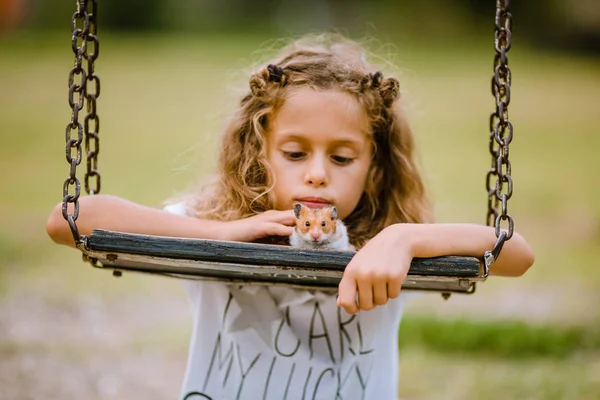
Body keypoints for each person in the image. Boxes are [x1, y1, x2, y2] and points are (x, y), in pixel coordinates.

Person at [46, 34, 534, 399]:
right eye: (295, 153)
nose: (318, 175)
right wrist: (218, 233)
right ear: (259, 152)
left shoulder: (382, 238)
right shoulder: (225, 225)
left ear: (375, 167)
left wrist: (405, 238)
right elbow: (71, 218)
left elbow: (517, 254)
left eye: (342, 159)